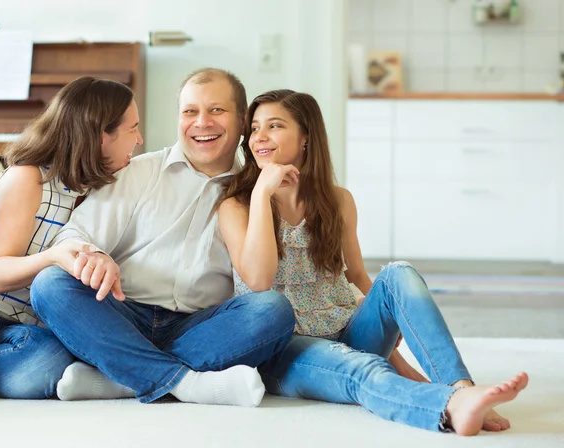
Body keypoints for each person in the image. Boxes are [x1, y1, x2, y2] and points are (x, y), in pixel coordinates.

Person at [216, 89, 529, 435]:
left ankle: (460, 389)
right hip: (285, 349)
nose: (260, 136)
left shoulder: (338, 200)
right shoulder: (238, 205)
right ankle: (445, 407)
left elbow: (359, 276)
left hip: (347, 331)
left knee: (398, 274)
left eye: (274, 126)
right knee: (362, 367)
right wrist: (263, 192)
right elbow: (259, 281)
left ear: (306, 138)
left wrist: (393, 338)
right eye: (255, 128)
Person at [29, 68, 295, 406]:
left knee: (273, 311)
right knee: (51, 282)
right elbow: (74, 235)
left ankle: (122, 376)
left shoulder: (253, 192)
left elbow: (259, 281)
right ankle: (184, 382)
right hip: (121, 314)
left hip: (199, 327)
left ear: (243, 121)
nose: (202, 122)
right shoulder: (139, 171)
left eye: (216, 110)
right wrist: (93, 255)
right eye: (190, 112)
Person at [0, 76, 143, 399]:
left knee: (47, 362)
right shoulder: (28, 179)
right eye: (133, 129)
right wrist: (54, 257)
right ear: (101, 134)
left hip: (21, 323)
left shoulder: (100, 188)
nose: (140, 139)